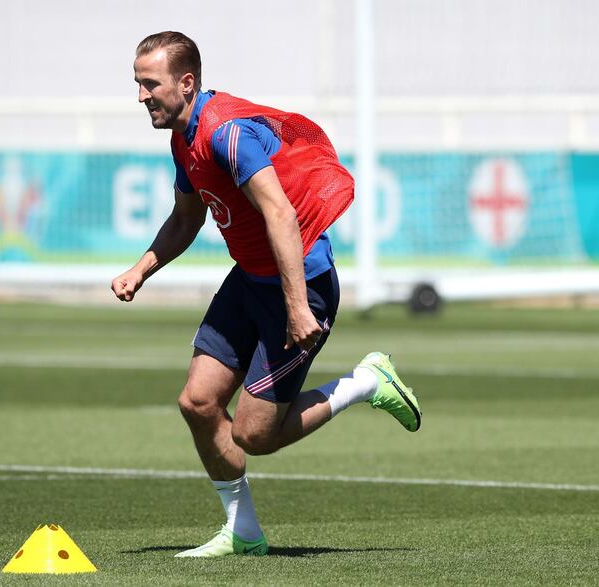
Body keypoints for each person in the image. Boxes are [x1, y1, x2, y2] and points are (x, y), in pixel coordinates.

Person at [111, 31, 421, 558]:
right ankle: (242, 531)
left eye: (149, 84)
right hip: (250, 279)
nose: (141, 95)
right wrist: (142, 269)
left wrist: (298, 307)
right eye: (137, 83)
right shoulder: (181, 141)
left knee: (255, 435)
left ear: (186, 83)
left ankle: (366, 382)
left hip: (299, 285)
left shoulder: (228, 135)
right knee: (199, 403)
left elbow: (280, 213)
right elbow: (187, 218)